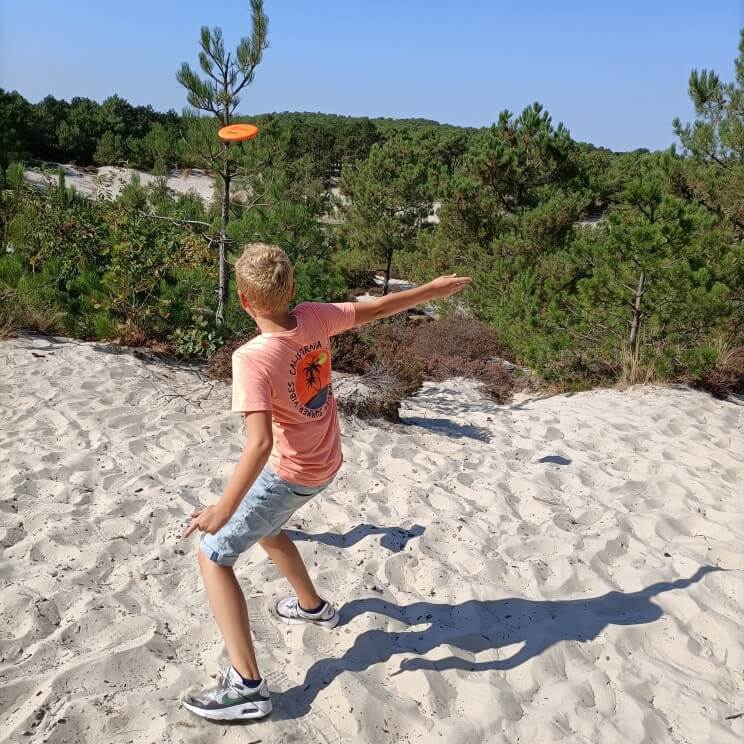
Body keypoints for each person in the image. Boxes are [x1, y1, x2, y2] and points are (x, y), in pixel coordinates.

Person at [181, 243, 470, 721]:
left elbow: (257, 444)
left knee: (213, 557)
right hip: (325, 464)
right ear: (292, 290)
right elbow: (379, 307)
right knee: (270, 527)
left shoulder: (251, 358)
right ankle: (313, 607)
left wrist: (222, 509)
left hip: (291, 471)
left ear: (243, 299)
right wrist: (431, 291)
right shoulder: (313, 317)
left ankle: (247, 686)